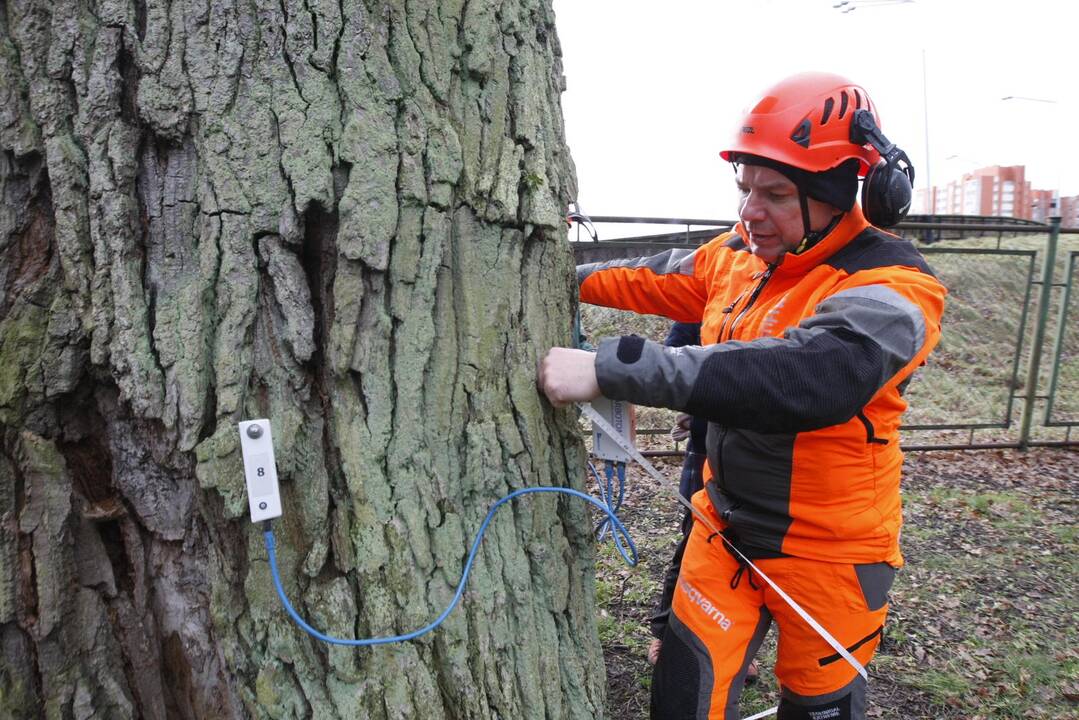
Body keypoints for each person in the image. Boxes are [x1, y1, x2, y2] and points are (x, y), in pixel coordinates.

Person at [539, 72, 947, 720]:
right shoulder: (737, 255)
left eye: (776, 194)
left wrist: (614, 369)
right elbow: (649, 276)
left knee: (818, 708)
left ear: (843, 193)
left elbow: (805, 380)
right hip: (723, 528)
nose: (749, 213)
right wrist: (545, 267)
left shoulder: (894, 288)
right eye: (744, 189)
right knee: (681, 696)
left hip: (832, 552)